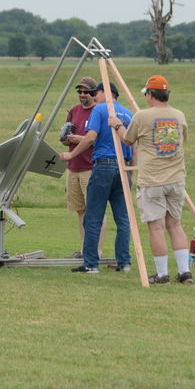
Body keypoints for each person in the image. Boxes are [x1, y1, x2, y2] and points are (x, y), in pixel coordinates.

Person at [109, 74, 192, 284]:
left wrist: (117, 125)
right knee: (175, 225)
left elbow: (127, 140)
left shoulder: (142, 116)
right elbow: (183, 139)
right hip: (176, 179)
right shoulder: (179, 115)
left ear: (151, 94)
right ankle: (184, 272)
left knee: (156, 227)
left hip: (153, 180)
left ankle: (162, 274)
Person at [60, 82, 133, 274]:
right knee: (123, 219)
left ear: (105, 93)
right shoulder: (128, 113)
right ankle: (124, 262)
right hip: (124, 167)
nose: (94, 96)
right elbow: (132, 143)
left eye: (96, 93)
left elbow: (91, 137)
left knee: (93, 216)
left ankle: (91, 263)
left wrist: (71, 154)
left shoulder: (100, 110)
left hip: (103, 166)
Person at [60, 76, 105, 258]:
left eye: (86, 91)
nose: (82, 95)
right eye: (79, 91)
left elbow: (99, 140)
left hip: (91, 167)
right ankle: (85, 248)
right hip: (73, 167)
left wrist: (79, 139)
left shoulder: (99, 112)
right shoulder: (73, 111)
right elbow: (65, 139)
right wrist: (65, 139)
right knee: (80, 210)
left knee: (95, 210)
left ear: (94, 93)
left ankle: (98, 251)